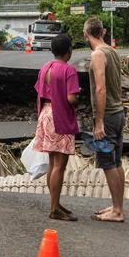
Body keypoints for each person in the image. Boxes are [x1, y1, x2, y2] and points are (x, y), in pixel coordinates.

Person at [32, 33, 80, 221]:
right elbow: (71, 98)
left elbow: (40, 90)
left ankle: (55, 202)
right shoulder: (69, 71)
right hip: (59, 116)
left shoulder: (46, 67)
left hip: (45, 113)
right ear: (69, 51)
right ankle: (54, 208)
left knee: (53, 163)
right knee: (60, 165)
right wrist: (78, 98)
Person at [84, 16, 126, 222]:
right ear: (104, 32)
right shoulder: (112, 51)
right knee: (116, 162)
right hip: (118, 113)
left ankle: (117, 211)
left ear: (86, 34)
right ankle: (117, 206)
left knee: (108, 163)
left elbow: (100, 88)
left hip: (108, 115)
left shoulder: (97, 54)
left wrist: (98, 121)